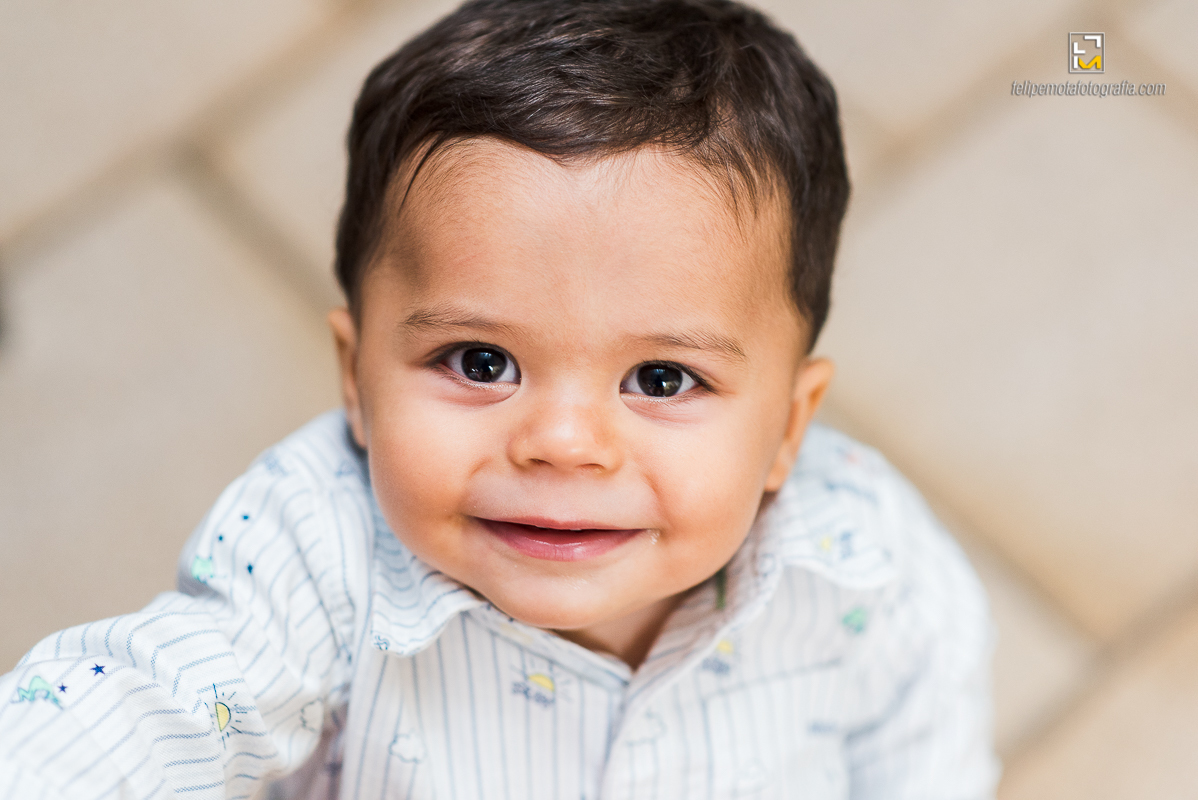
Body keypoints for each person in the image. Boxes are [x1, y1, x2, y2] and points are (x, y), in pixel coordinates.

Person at [0, 0, 998, 797]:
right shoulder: (316, 555)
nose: (562, 442)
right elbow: (145, 705)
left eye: (661, 379)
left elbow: (925, 751)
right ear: (356, 376)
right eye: (480, 361)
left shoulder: (867, 561)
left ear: (787, 425)